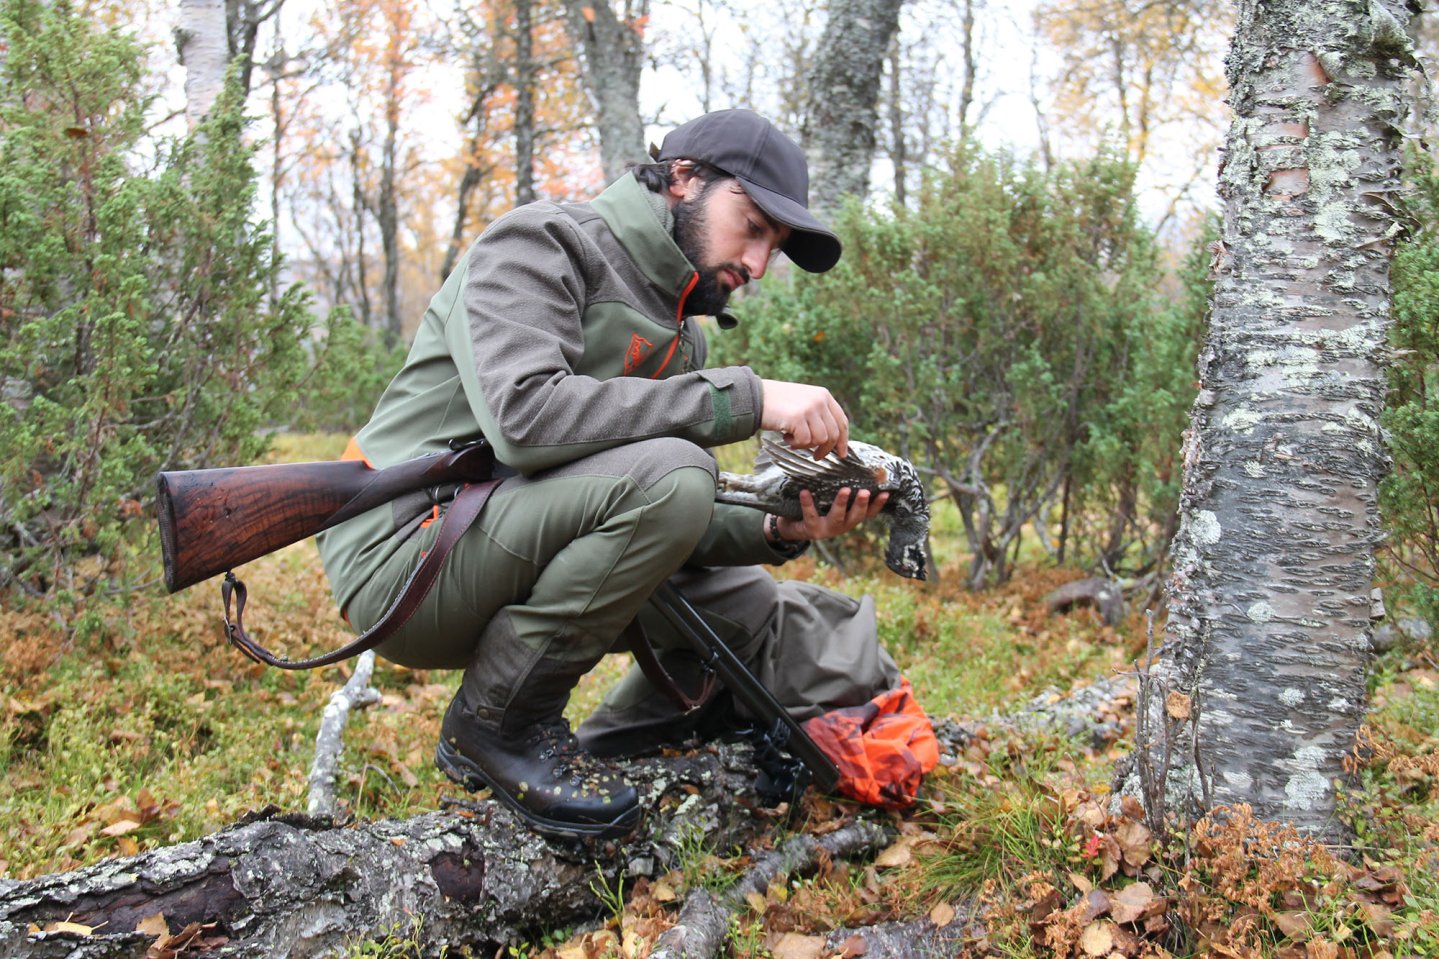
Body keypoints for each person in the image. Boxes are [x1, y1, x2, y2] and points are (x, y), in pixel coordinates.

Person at [316, 109, 900, 841]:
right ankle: (498, 722)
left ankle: (658, 743)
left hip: (503, 536)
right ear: (682, 179)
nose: (756, 265)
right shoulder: (543, 241)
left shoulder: (679, 325)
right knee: (674, 473)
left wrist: (778, 525)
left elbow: (660, 507)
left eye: (772, 248)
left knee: (744, 599)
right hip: (408, 555)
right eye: (750, 226)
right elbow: (527, 421)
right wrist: (748, 399)